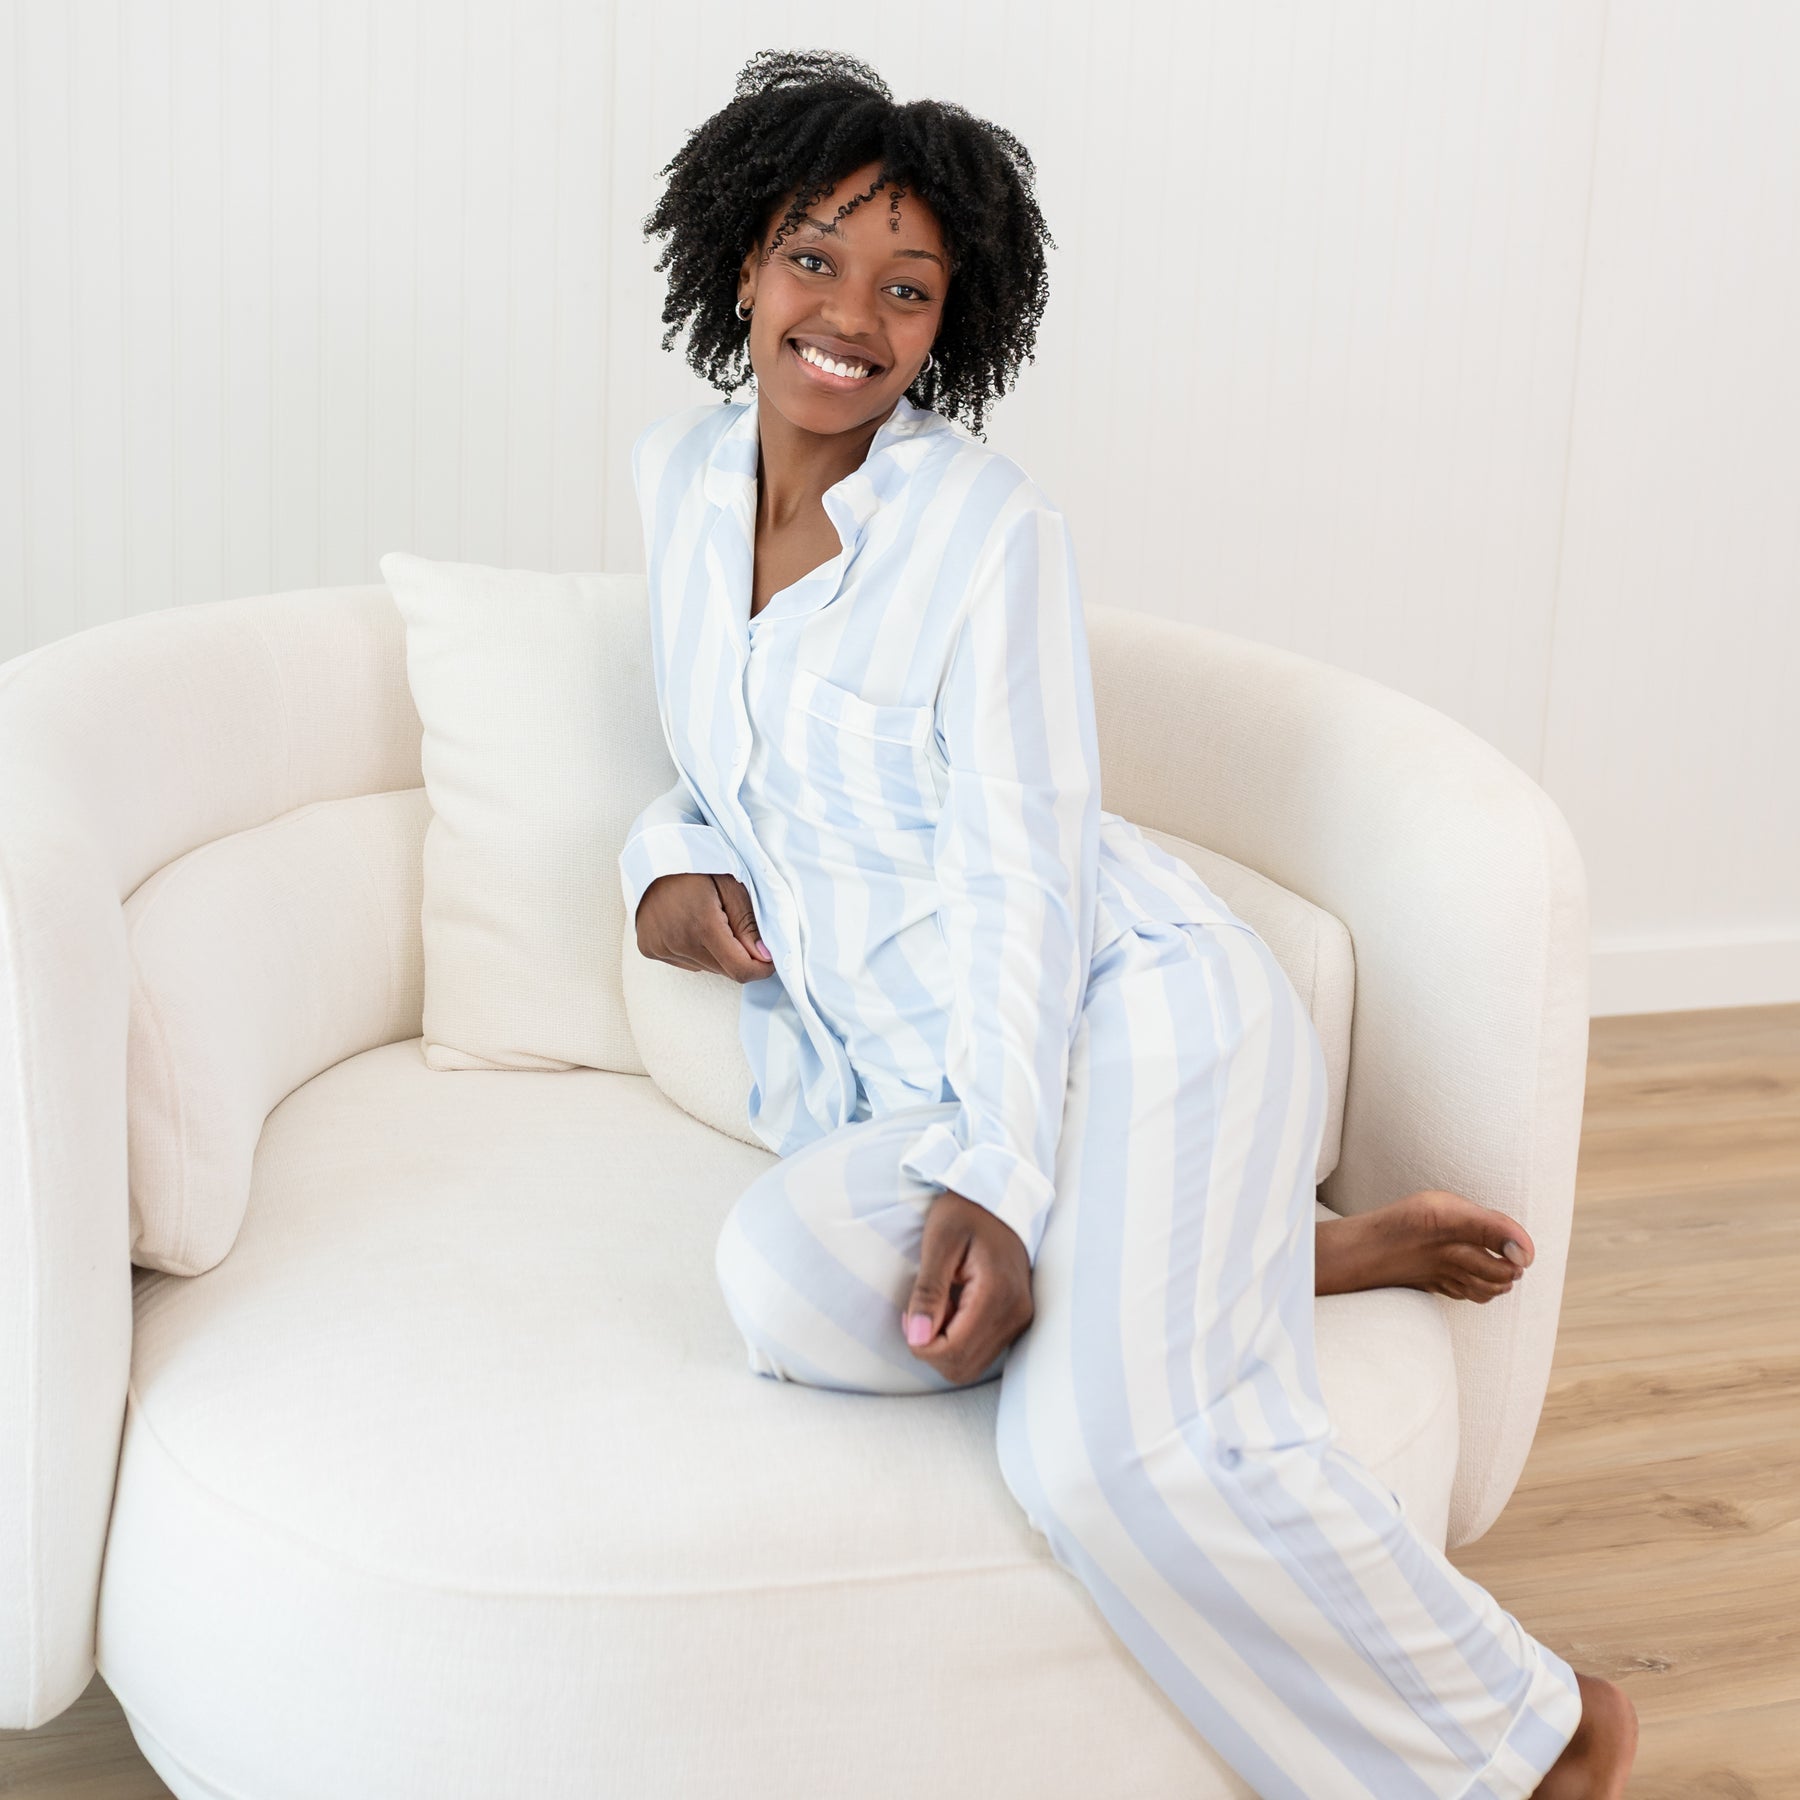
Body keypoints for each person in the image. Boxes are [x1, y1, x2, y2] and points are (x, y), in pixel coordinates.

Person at [621, 47, 1637, 1800]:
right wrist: (656, 871)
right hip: (926, 1085)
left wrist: (1007, 1188)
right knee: (776, 1278)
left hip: (1128, 1016)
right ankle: (1258, 1248)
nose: (851, 314)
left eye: (907, 288)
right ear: (740, 264)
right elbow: (710, 755)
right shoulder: (675, 489)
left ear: (954, 325)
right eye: (813, 256)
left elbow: (1026, 869)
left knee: (1097, 1460)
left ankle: (1535, 1732)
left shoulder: (986, 537)